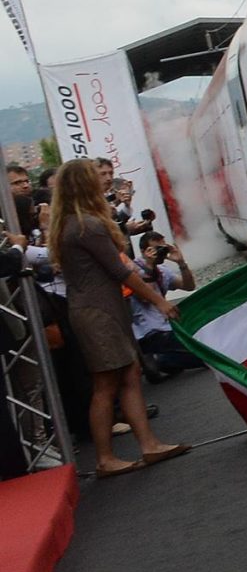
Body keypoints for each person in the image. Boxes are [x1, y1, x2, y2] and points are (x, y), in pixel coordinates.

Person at [46, 160, 187, 476]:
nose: (104, 183)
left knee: (127, 375)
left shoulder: (69, 223)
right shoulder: (87, 225)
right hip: (99, 314)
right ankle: (106, 458)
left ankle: (148, 445)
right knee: (107, 383)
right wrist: (158, 301)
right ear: (85, 185)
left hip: (98, 311)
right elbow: (121, 270)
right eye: (96, 178)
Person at [130, 234, 198, 381]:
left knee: (199, 339)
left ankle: (164, 361)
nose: (161, 252)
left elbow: (188, 286)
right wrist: (149, 265)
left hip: (166, 326)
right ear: (143, 251)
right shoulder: (134, 269)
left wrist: (181, 263)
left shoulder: (162, 270)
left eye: (163, 248)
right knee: (203, 354)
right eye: (156, 249)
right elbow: (144, 297)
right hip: (149, 332)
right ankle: (158, 360)